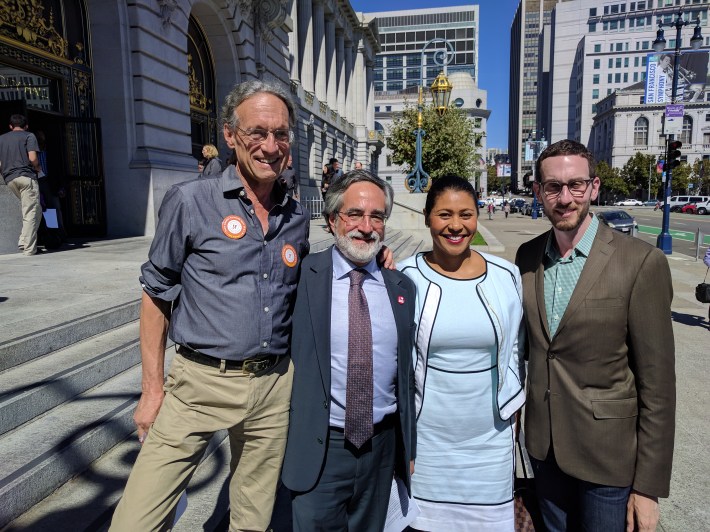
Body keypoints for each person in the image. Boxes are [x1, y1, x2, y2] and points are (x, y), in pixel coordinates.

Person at [110, 80, 310, 531]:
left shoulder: (295, 216)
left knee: (251, 521)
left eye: (280, 134)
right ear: (230, 135)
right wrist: (151, 390)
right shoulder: (190, 200)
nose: (270, 146)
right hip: (199, 383)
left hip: (273, 386)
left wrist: (373, 257)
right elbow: (156, 292)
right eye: (257, 132)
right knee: (136, 521)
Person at [515, 139, 675, 532]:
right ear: (538, 192)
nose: (565, 197)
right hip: (545, 451)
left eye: (576, 185)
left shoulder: (640, 262)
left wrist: (648, 488)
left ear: (594, 187)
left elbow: (658, 384)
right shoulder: (527, 258)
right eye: (553, 186)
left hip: (609, 459)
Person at [282, 170, 416, 531]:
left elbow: (407, 375)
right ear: (331, 220)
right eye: (354, 214)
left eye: (377, 216)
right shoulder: (301, 277)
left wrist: (408, 448)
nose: (366, 226)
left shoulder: (402, 286)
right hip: (321, 446)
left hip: (382, 447)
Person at [398, 175, 525, 531]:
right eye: (444, 215)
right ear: (427, 217)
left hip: (491, 441)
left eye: (466, 214)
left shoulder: (506, 275)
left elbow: (515, 348)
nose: (456, 225)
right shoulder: (405, 276)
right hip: (429, 441)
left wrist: (513, 412)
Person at [0, 114, 42, 256]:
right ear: (26, 126)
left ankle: (23, 240)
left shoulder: (1, 139)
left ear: (10, 126)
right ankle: (29, 249)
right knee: (30, 212)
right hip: (26, 177)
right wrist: (37, 168)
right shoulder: (29, 136)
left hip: (10, 179)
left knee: (36, 210)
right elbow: (33, 158)